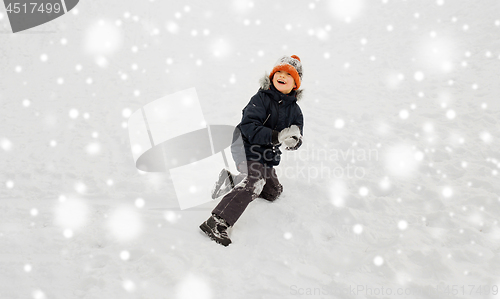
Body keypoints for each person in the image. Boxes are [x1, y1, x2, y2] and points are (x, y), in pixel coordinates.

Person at [200, 55, 304, 246]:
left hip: (266, 155)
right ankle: (217, 221)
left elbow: (298, 136)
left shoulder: (295, 111)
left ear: (295, 83)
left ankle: (232, 180)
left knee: (273, 191)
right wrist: (276, 136)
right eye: (278, 72)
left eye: (288, 74)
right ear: (272, 76)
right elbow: (248, 126)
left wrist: (293, 142)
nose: (282, 76)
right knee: (255, 181)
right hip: (245, 146)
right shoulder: (261, 99)